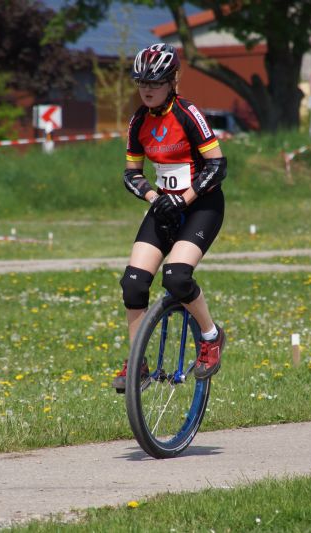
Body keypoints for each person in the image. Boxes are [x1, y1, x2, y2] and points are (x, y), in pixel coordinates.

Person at [112, 43, 227, 392]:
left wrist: (184, 198)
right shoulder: (138, 121)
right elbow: (131, 173)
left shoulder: (188, 113)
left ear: (172, 81)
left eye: (155, 82)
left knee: (176, 277)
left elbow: (217, 165)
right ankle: (138, 362)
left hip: (201, 206)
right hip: (164, 206)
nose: (147, 89)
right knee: (133, 283)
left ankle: (211, 337)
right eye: (141, 83)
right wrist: (154, 196)